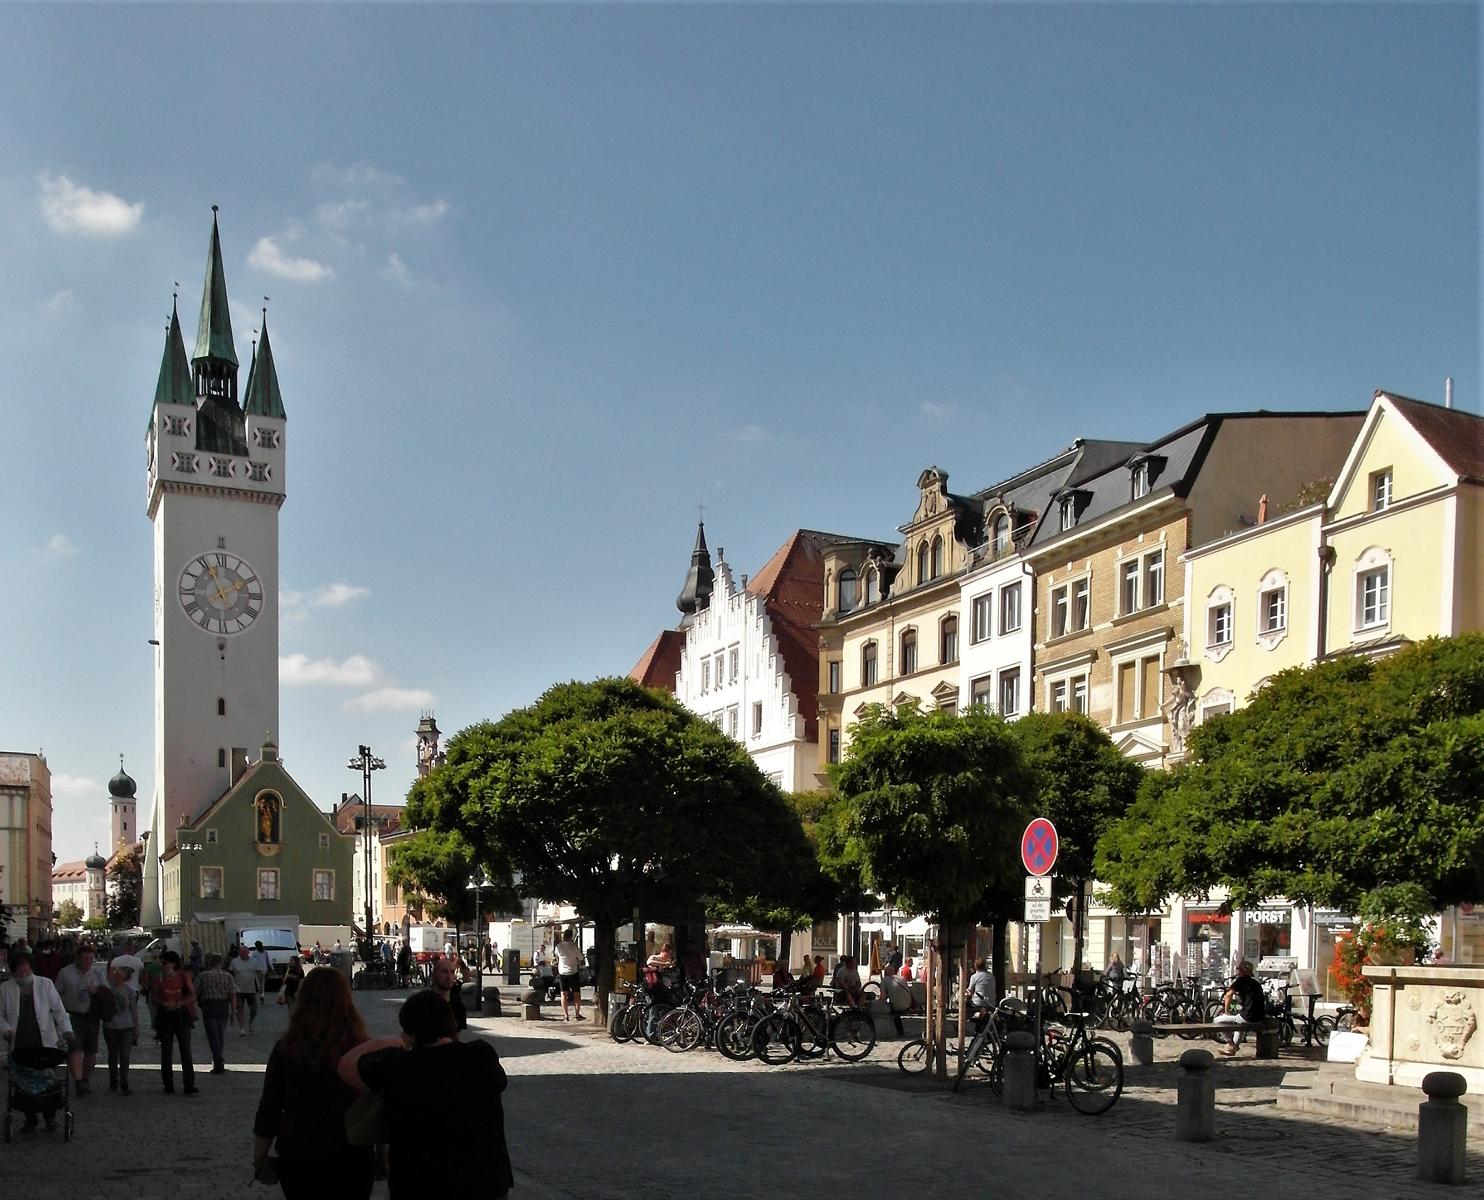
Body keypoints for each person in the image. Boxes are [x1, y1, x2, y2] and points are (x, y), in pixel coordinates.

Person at [339, 989, 513, 1199]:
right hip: (483, 1181)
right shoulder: (481, 1055)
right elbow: (500, 1082)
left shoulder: (397, 1066)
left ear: (409, 1031)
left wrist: (391, 1041)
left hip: (419, 1183)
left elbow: (346, 1065)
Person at [254, 967, 374, 1198]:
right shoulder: (360, 1047)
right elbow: (374, 1103)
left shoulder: (287, 1048)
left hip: (300, 1150)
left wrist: (259, 1157)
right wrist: (383, 1154)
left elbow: (270, 1107)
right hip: (351, 1152)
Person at [0, 950, 73, 1132]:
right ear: (13, 972)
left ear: (31, 969)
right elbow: (0, 1015)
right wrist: (6, 1030)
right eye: (19, 973)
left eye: (26, 972)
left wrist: (67, 1030)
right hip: (20, 1043)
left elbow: (59, 1010)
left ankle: (49, 1117)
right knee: (23, 1083)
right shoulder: (5, 989)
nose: (23, 976)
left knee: (47, 1081)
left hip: (44, 1042)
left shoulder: (45, 985)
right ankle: (30, 1118)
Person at [55, 943, 107, 1094]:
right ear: (77, 958)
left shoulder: (97, 973)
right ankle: (78, 1081)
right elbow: (57, 994)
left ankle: (85, 1079)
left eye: (91, 959)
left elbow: (106, 993)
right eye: (85, 958)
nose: (88, 962)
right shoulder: (65, 973)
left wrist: (97, 991)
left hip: (92, 1016)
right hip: (73, 1015)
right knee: (75, 1049)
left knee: (91, 1051)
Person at [151, 950, 198, 1094]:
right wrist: (163, 1003)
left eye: (165, 963)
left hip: (181, 1015)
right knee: (166, 1052)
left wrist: (179, 1003)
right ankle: (168, 1084)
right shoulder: (159, 978)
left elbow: (192, 996)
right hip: (165, 1016)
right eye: (162, 963)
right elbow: (153, 998)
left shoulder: (183, 977)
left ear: (173, 964)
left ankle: (189, 1084)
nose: (163, 965)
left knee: (185, 1050)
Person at [102, 962, 140, 1094]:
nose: (115, 977)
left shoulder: (130, 992)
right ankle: (113, 1081)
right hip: (110, 1026)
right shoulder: (107, 990)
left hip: (126, 1026)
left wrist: (136, 1028)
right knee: (112, 1054)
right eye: (115, 975)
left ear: (125, 978)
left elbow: (134, 1011)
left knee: (124, 1055)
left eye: (118, 975)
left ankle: (124, 1083)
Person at [1214, 960, 1265, 1057]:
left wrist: (1226, 1011)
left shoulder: (1240, 981)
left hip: (1247, 1017)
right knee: (1239, 1023)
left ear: (1242, 972)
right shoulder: (1256, 983)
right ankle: (1232, 1050)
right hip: (1259, 1018)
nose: (1237, 973)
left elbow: (1228, 995)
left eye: (1239, 971)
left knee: (1217, 1021)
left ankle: (1231, 1044)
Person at [195, 953, 235, 1073]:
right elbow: (232, 995)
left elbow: (194, 991)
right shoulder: (228, 976)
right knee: (220, 1035)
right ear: (220, 963)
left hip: (209, 1006)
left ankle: (218, 1062)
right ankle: (219, 1060)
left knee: (213, 1036)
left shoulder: (203, 976)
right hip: (223, 1006)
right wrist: (233, 1011)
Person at [229, 943, 265, 1035]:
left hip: (251, 989)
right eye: (241, 952)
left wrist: (261, 985)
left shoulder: (254, 961)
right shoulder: (234, 961)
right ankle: (242, 1028)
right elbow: (230, 974)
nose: (243, 954)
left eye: (244, 952)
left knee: (254, 1009)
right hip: (238, 990)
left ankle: (250, 1022)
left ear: (248, 952)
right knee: (240, 1008)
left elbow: (259, 973)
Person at [430, 954, 469, 1034]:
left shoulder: (458, 1006)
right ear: (434, 976)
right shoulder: (421, 1003)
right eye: (444, 972)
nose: (449, 976)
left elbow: (456, 1036)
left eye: (452, 972)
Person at [552, 929, 584, 1022]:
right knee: (576, 994)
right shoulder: (574, 947)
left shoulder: (558, 947)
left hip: (562, 972)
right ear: (571, 937)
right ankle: (577, 1014)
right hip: (573, 972)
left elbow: (557, 955)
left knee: (563, 994)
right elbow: (581, 958)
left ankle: (566, 1015)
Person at [967, 958, 997, 1031]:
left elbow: (970, 992)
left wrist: (966, 991)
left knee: (967, 1005)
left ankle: (967, 1022)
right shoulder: (992, 976)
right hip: (991, 1003)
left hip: (979, 1003)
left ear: (975, 966)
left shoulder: (974, 977)